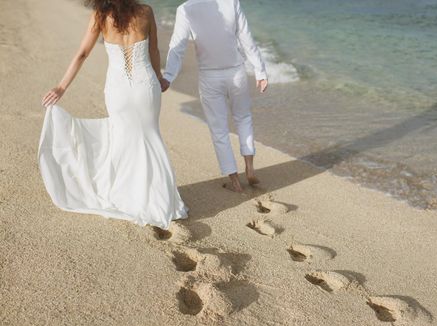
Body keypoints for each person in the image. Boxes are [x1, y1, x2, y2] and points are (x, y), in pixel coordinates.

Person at [40, 0, 187, 229]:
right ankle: (160, 200)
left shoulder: (100, 15)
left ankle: (128, 196)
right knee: (151, 138)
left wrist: (61, 87)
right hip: (145, 86)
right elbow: (153, 50)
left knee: (124, 141)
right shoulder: (146, 11)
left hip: (118, 90)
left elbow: (82, 54)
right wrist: (159, 79)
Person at [162, 0, 268, 193]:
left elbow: (178, 46)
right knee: (243, 118)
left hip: (210, 77)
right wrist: (260, 71)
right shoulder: (231, 2)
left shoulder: (185, 9)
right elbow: (246, 38)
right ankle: (250, 167)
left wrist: (168, 76)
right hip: (236, 72)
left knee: (219, 130)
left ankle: (235, 181)